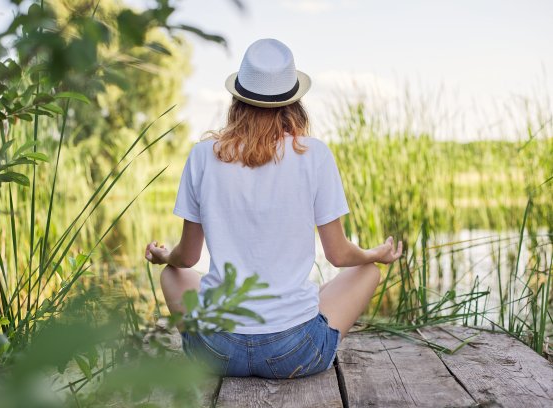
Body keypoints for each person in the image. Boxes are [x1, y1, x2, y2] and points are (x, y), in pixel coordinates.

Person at [145, 38, 402, 379]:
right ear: (293, 104)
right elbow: (339, 255)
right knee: (367, 271)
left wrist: (165, 257)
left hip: (216, 351)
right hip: (294, 353)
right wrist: (375, 253)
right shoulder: (315, 154)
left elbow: (187, 258)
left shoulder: (202, 155)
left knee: (172, 274)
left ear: (237, 100)